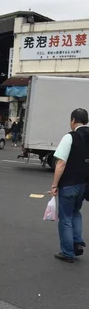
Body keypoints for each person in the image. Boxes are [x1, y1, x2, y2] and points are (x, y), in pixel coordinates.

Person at [51, 108, 89, 263]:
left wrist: (54, 184)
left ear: (73, 120)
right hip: (84, 184)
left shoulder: (70, 137)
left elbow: (61, 163)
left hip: (68, 184)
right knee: (76, 213)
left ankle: (68, 252)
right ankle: (77, 241)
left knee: (65, 217)